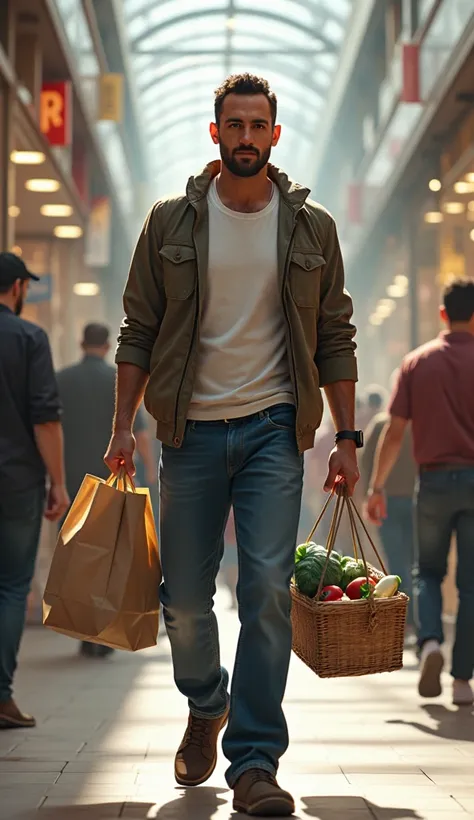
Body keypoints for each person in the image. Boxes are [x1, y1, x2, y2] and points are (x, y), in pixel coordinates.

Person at [105, 74, 360, 817]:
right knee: (183, 601)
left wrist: (346, 437)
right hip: (187, 434)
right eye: (234, 125)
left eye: (259, 126)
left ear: (275, 135)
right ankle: (205, 700)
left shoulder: (312, 229)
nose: (247, 137)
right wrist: (123, 427)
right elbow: (139, 331)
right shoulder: (169, 223)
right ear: (214, 132)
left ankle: (254, 760)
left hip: (274, 431)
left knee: (264, 594)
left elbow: (336, 335)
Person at [366, 278, 474, 708]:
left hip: (431, 482)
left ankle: (429, 641)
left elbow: (394, 434)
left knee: (426, 571)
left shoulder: (417, 363)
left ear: (442, 314)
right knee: (471, 585)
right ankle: (462, 680)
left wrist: (376, 486)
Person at [57, 322, 156, 658]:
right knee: (112, 557)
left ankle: (84, 630)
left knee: (79, 557)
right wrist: (148, 472)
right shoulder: (118, 384)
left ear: (81, 342)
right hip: (115, 479)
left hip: (73, 483)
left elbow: (51, 426)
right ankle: (106, 629)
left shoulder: (63, 380)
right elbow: (139, 433)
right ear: (107, 345)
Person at [0, 252, 69, 729]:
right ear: (18, 288)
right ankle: (0, 695)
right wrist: (58, 483)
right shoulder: (28, 338)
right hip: (16, 481)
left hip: (18, 481)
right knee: (9, 586)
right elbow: (45, 417)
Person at [360, 387, 416, 635]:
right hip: (418, 501)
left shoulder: (382, 423)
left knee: (395, 563)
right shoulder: (421, 425)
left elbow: (366, 460)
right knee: (417, 564)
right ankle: (417, 623)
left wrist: (368, 495)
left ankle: (401, 621)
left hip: (387, 502)